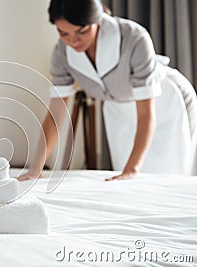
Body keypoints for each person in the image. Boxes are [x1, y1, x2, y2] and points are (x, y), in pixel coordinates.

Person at [18, 0, 197, 181]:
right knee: (126, 178)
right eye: (63, 33)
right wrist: (36, 168)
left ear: (98, 20)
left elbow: (145, 114)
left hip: (163, 101)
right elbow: (56, 113)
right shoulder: (61, 53)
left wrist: (131, 169)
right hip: (118, 106)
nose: (73, 40)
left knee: (167, 172)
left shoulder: (134, 38)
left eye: (82, 31)